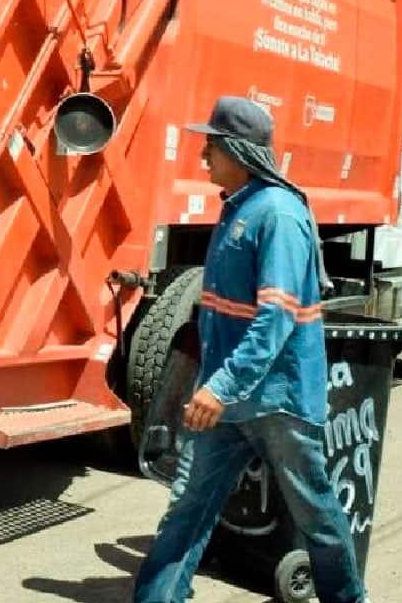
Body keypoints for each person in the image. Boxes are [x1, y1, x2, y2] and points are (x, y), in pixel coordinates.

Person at [132, 96, 367, 602]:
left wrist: (220, 386)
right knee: (188, 507)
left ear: (238, 152)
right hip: (228, 400)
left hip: (277, 400)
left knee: (316, 515)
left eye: (211, 148)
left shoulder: (277, 215)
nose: (203, 158)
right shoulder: (241, 208)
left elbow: (276, 318)